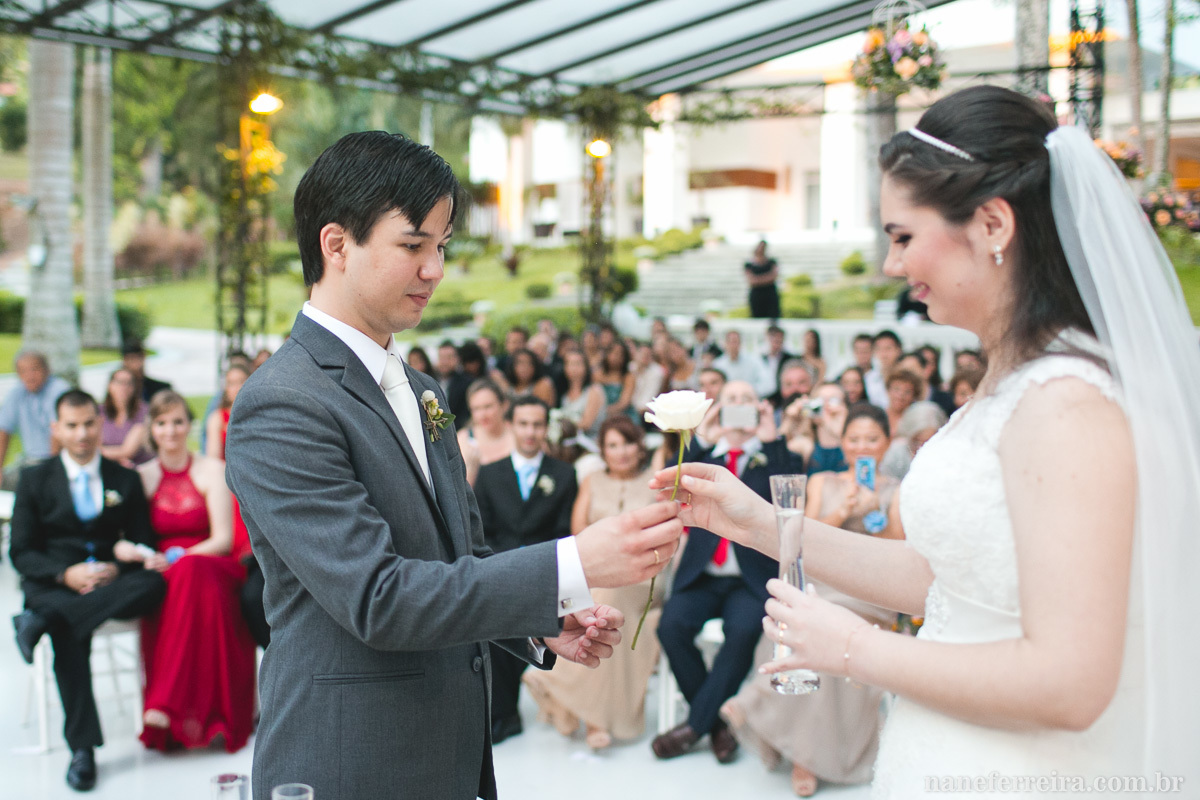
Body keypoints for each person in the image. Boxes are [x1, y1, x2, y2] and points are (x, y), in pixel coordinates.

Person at [650, 85, 1200, 796]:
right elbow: (948, 576)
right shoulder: (1009, 383)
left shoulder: (1064, 404)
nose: (890, 266)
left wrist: (852, 646)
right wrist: (758, 523)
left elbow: (1072, 682)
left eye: (903, 236)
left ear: (994, 224)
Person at [223, 131, 683, 800]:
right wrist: (574, 565)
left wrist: (541, 613)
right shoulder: (282, 403)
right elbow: (378, 599)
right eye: (413, 245)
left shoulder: (422, 390)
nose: (434, 269)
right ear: (336, 244)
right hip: (351, 758)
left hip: (451, 753)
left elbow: (460, 556)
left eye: (441, 246)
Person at [722, 403, 900, 796]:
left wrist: (877, 514)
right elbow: (805, 539)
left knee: (828, 627)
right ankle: (800, 748)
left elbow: (900, 556)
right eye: (855, 439)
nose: (863, 447)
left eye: (873, 439)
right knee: (795, 621)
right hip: (825, 579)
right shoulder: (822, 480)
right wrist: (843, 510)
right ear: (844, 442)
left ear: (887, 442)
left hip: (871, 591)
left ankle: (760, 707)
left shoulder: (895, 491)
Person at [9, 390, 166, 791]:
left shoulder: (124, 479)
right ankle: (83, 751)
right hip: (56, 583)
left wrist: (115, 566)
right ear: (56, 429)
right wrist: (66, 575)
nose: (81, 434)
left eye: (88, 424)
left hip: (112, 583)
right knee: (69, 630)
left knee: (152, 583)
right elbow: (21, 552)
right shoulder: (34, 478)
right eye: (72, 426)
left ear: (100, 424)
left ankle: (40, 622)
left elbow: (142, 539)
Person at [652, 380, 802, 764]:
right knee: (670, 626)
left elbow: (789, 497)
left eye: (746, 399)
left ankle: (694, 727)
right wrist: (707, 435)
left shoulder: (774, 455)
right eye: (731, 399)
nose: (738, 405)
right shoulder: (703, 455)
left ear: (760, 408)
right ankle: (717, 726)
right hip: (702, 575)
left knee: (743, 631)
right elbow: (677, 485)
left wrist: (770, 439)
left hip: (748, 580)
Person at [524, 415, 664, 751]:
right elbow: (578, 534)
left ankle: (587, 712)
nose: (621, 452)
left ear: (639, 446)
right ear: (602, 450)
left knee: (603, 602)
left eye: (628, 442)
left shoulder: (654, 482)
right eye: (613, 445)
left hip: (642, 576)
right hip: (597, 573)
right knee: (600, 600)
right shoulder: (591, 481)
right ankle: (593, 715)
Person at [137, 391, 256, 753]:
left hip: (212, 564)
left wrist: (181, 556)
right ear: (152, 429)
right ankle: (177, 715)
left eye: (177, 422)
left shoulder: (211, 470)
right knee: (178, 580)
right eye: (161, 423)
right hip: (165, 572)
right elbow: (137, 536)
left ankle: (164, 702)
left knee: (190, 570)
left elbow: (222, 539)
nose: (170, 430)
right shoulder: (142, 477)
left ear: (189, 426)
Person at [473, 397, 578, 745]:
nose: (530, 432)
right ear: (512, 425)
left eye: (537, 424)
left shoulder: (563, 475)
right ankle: (502, 714)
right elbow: (481, 532)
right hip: (500, 570)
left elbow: (564, 532)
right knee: (493, 623)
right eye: (523, 424)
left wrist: (535, 569)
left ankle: (516, 709)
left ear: (545, 427)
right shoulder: (489, 474)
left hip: (545, 571)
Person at [0, 351, 71, 485]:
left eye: (34, 369)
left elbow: (56, 433)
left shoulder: (59, 390)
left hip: (58, 461)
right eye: (23, 371)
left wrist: (51, 470)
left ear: (47, 369)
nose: (29, 376)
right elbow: (4, 430)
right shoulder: (17, 393)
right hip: (29, 461)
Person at [457, 378, 515, 486]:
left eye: (488, 406)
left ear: (504, 405)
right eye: (476, 409)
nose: (482, 415)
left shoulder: (518, 434)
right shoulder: (464, 439)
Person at [880, 400, 948, 480]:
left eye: (928, 443)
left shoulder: (945, 457)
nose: (921, 448)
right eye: (917, 442)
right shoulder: (896, 454)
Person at [99, 368, 151, 467]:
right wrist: (118, 458)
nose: (124, 387)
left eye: (129, 383)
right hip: (108, 467)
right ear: (110, 385)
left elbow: (128, 451)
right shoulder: (99, 411)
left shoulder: (144, 412)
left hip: (138, 466)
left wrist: (101, 452)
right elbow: (94, 443)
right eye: (119, 382)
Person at [558, 349, 605, 440]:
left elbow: (586, 424)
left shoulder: (594, 390)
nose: (573, 368)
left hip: (590, 440)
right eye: (570, 364)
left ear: (586, 366)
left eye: (577, 364)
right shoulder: (564, 393)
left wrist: (559, 425)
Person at [712, 330, 772, 397]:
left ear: (740, 343)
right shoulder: (718, 364)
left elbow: (768, 384)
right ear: (725, 343)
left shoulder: (754, 361)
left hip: (750, 400)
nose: (733, 345)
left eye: (735, 342)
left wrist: (749, 392)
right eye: (730, 342)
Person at [595, 340, 636, 422]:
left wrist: (605, 411)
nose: (615, 357)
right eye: (612, 353)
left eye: (620, 354)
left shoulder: (628, 377)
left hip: (623, 415)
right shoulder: (598, 374)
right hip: (599, 414)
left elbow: (624, 402)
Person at [436, 340, 473, 423]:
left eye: (449, 358)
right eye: (441, 358)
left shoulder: (467, 383)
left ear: (457, 359)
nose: (444, 362)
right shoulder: (429, 381)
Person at [864, 330, 902, 408]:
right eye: (879, 349)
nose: (884, 354)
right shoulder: (868, 378)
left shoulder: (905, 377)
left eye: (888, 348)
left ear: (899, 350)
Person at [883, 368, 923, 440]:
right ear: (888, 390)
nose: (900, 395)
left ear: (914, 396)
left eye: (907, 392)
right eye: (896, 389)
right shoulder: (878, 416)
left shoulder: (917, 420)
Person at [744, 240, 781, 319]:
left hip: (770, 294)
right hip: (757, 296)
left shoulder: (771, 262)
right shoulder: (749, 264)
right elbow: (751, 280)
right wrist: (767, 278)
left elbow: (774, 276)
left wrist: (758, 279)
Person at [761, 324, 797, 400]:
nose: (777, 343)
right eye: (775, 340)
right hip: (765, 396)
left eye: (779, 340)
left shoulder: (790, 359)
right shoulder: (761, 359)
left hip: (783, 397)